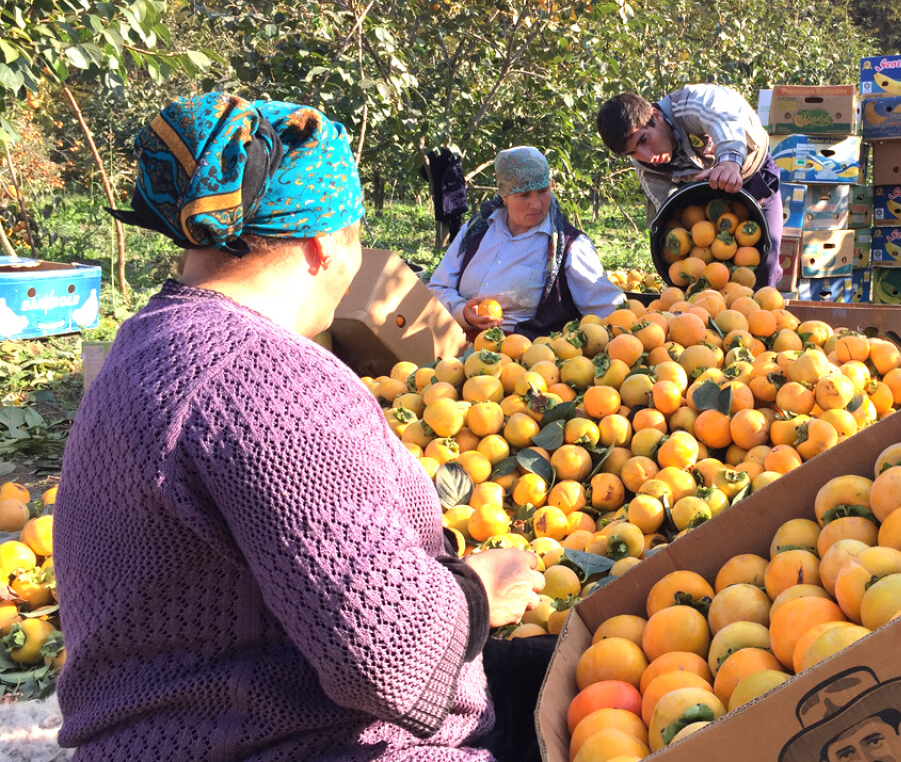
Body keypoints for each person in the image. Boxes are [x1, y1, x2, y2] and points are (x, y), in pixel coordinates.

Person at [55, 92, 546, 761]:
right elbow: (390, 653)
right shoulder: (265, 381)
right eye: (357, 236)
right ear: (323, 244)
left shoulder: (147, 340)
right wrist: (483, 589)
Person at [596, 86, 784, 288]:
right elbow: (668, 210)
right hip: (705, 200)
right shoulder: (646, 167)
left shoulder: (692, 103)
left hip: (751, 175)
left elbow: (723, 119)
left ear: (656, 115)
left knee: (766, 262)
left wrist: (729, 163)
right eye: (633, 152)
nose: (648, 156)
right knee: (707, 277)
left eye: (644, 139)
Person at [428, 145, 622, 338]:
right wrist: (463, 312)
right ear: (504, 196)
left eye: (543, 191)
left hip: (523, 358)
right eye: (524, 195)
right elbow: (438, 287)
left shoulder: (570, 246)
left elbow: (609, 309)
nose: (536, 204)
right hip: (452, 344)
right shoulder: (476, 230)